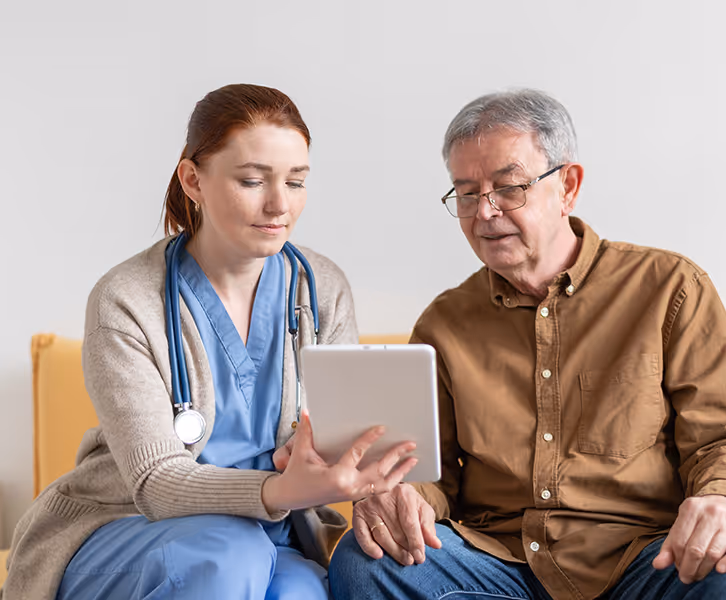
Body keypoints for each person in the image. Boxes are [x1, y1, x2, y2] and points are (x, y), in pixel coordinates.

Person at [329, 89, 726, 599]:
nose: (484, 212)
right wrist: (403, 496)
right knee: (366, 561)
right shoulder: (444, 322)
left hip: (646, 560)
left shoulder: (669, 288)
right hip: (499, 568)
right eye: (465, 193)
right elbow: (425, 473)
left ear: (567, 186)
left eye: (508, 188)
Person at [1, 84, 417, 600]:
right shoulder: (126, 300)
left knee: (299, 593)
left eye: (296, 181)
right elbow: (154, 480)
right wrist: (282, 489)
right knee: (228, 556)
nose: (279, 204)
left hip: (272, 533)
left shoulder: (319, 287)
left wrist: (364, 475)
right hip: (125, 527)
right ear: (193, 179)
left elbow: (336, 436)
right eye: (251, 180)